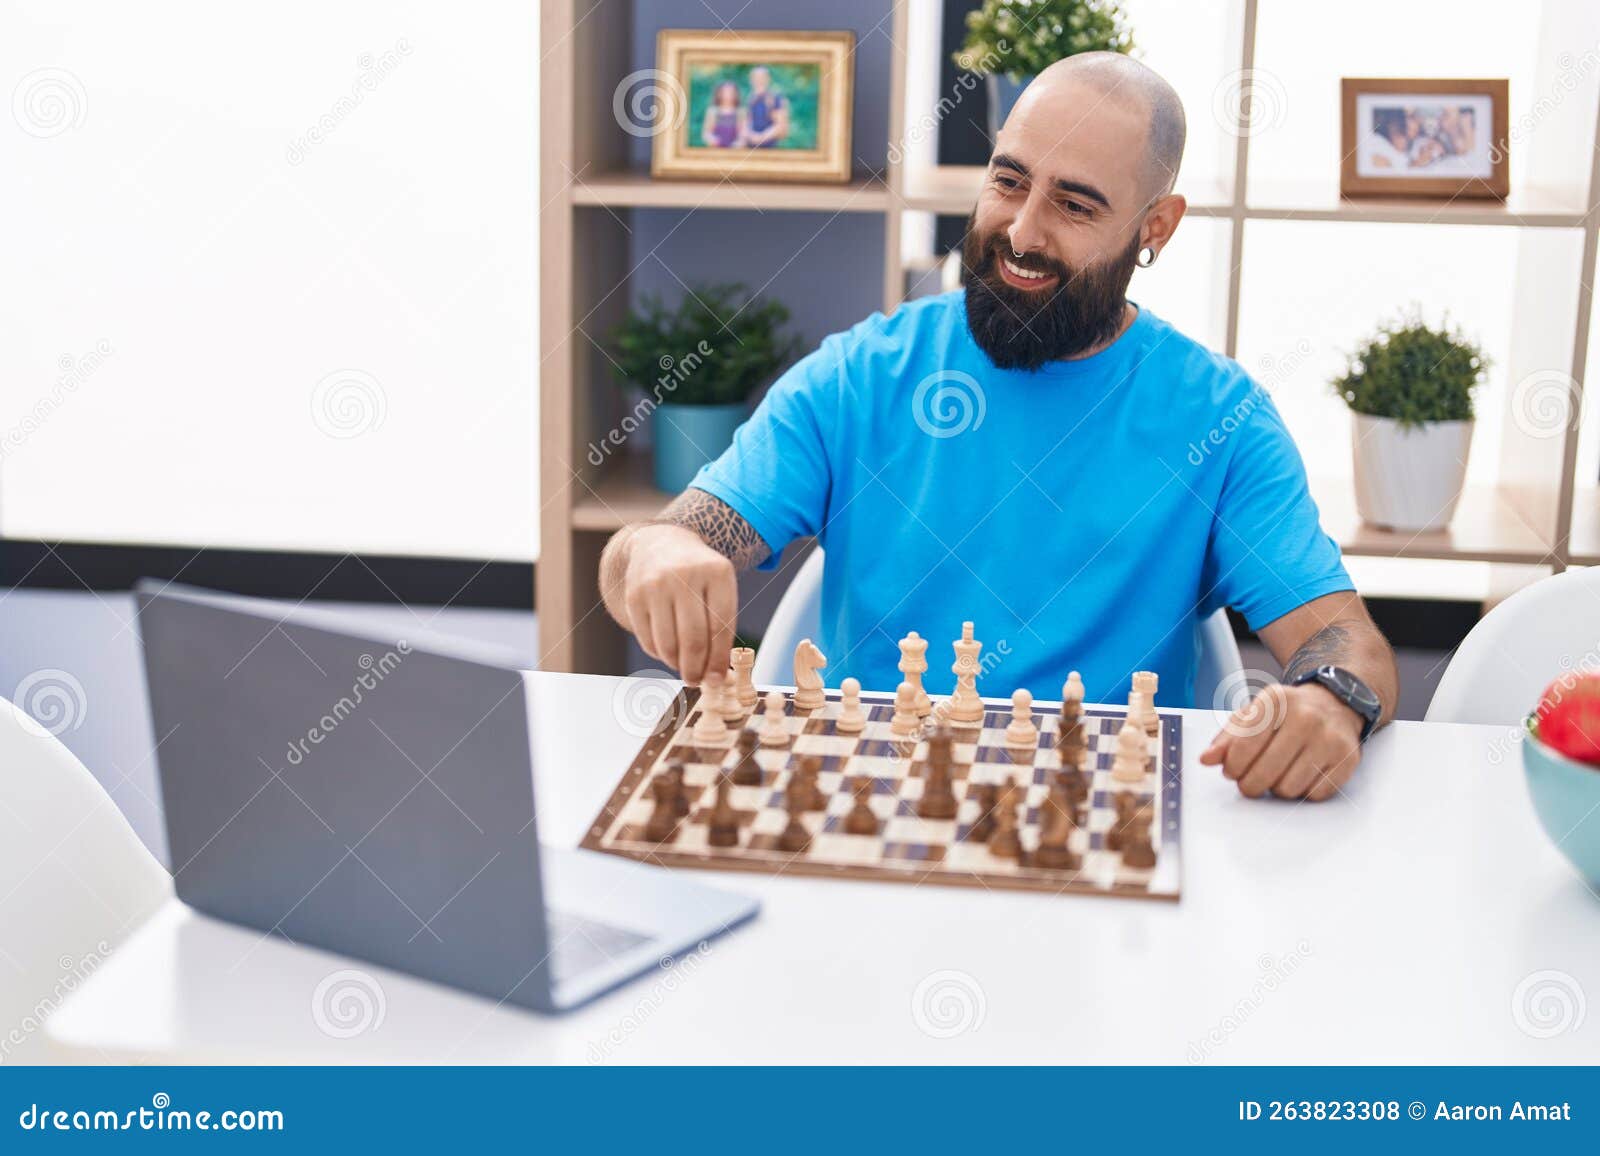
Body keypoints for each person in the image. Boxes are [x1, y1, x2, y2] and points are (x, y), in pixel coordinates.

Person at [601, 53, 1399, 802]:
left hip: (1100, 816)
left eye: (1075, 204)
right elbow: (662, 545)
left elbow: (1343, 639)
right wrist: (658, 550)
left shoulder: (1221, 420)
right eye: (1009, 181)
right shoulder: (864, 375)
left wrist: (1331, 702)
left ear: (1155, 228)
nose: (1022, 232)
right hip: (870, 800)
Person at [743, 65, 789, 147]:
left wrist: (760, 137)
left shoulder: (775, 98)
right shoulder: (750, 99)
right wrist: (750, 135)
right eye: (756, 77)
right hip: (750, 147)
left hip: (769, 147)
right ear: (751, 80)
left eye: (762, 77)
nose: (759, 80)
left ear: (768, 79)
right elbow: (746, 123)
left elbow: (780, 126)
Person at [701, 80, 744, 149]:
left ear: (736, 94)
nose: (728, 94)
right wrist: (712, 139)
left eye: (731, 92)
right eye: (725, 92)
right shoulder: (712, 111)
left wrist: (739, 143)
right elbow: (706, 134)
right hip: (716, 150)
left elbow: (743, 135)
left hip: (734, 151)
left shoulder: (740, 112)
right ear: (719, 93)